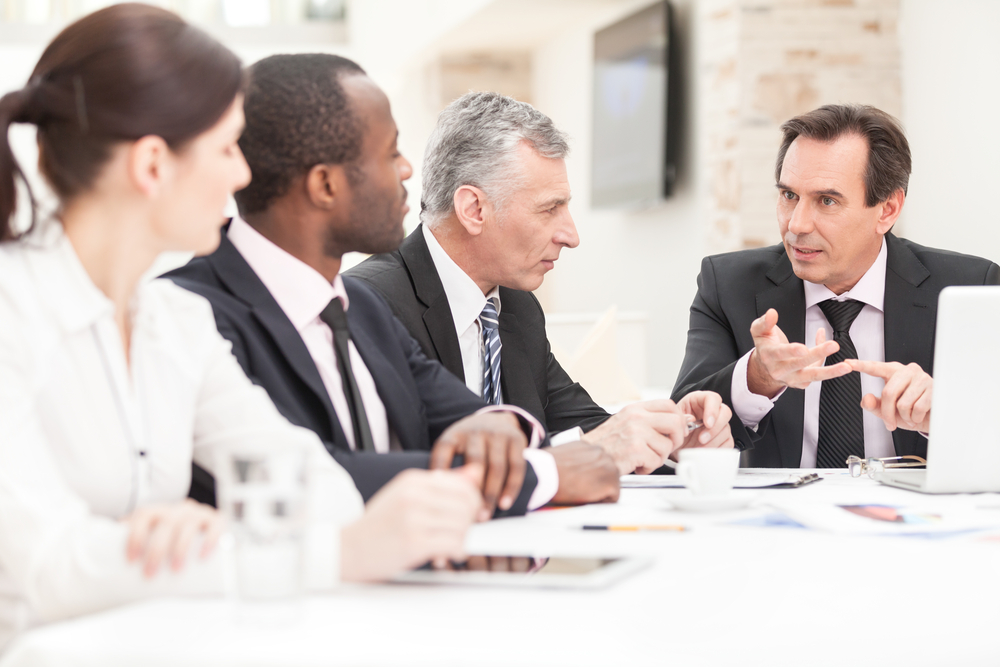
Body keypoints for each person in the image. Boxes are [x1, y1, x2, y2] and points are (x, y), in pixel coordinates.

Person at [0, 4, 483, 646]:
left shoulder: (177, 323)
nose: (243, 174)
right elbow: (42, 568)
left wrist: (188, 541)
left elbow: (313, 485)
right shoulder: (14, 311)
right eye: (227, 147)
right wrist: (309, 550)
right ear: (151, 165)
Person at [165, 54, 620, 518]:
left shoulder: (358, 307)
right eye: (388, 153)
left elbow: (476, 419)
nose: (407, 170)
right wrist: (542, 474)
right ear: (325, 185)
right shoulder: (189, 313)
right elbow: (311, 479)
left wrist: (501, 432)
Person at [348, 91, 734, 475]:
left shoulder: (515, 305)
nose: (571, 235)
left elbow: (589, 430)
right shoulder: (369, 306)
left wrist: (672, 435)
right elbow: (413, 466)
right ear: (474, 210)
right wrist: (598, 446)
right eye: (550, 209)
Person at [672, 104, 1000, 468]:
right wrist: (757, 377)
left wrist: (948, 416)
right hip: (779, 518)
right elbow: (680, 432)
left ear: (887, 209)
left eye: (826, 201)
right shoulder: (728, 284)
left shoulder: (971, 287)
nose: (796, 225)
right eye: (789, 196)